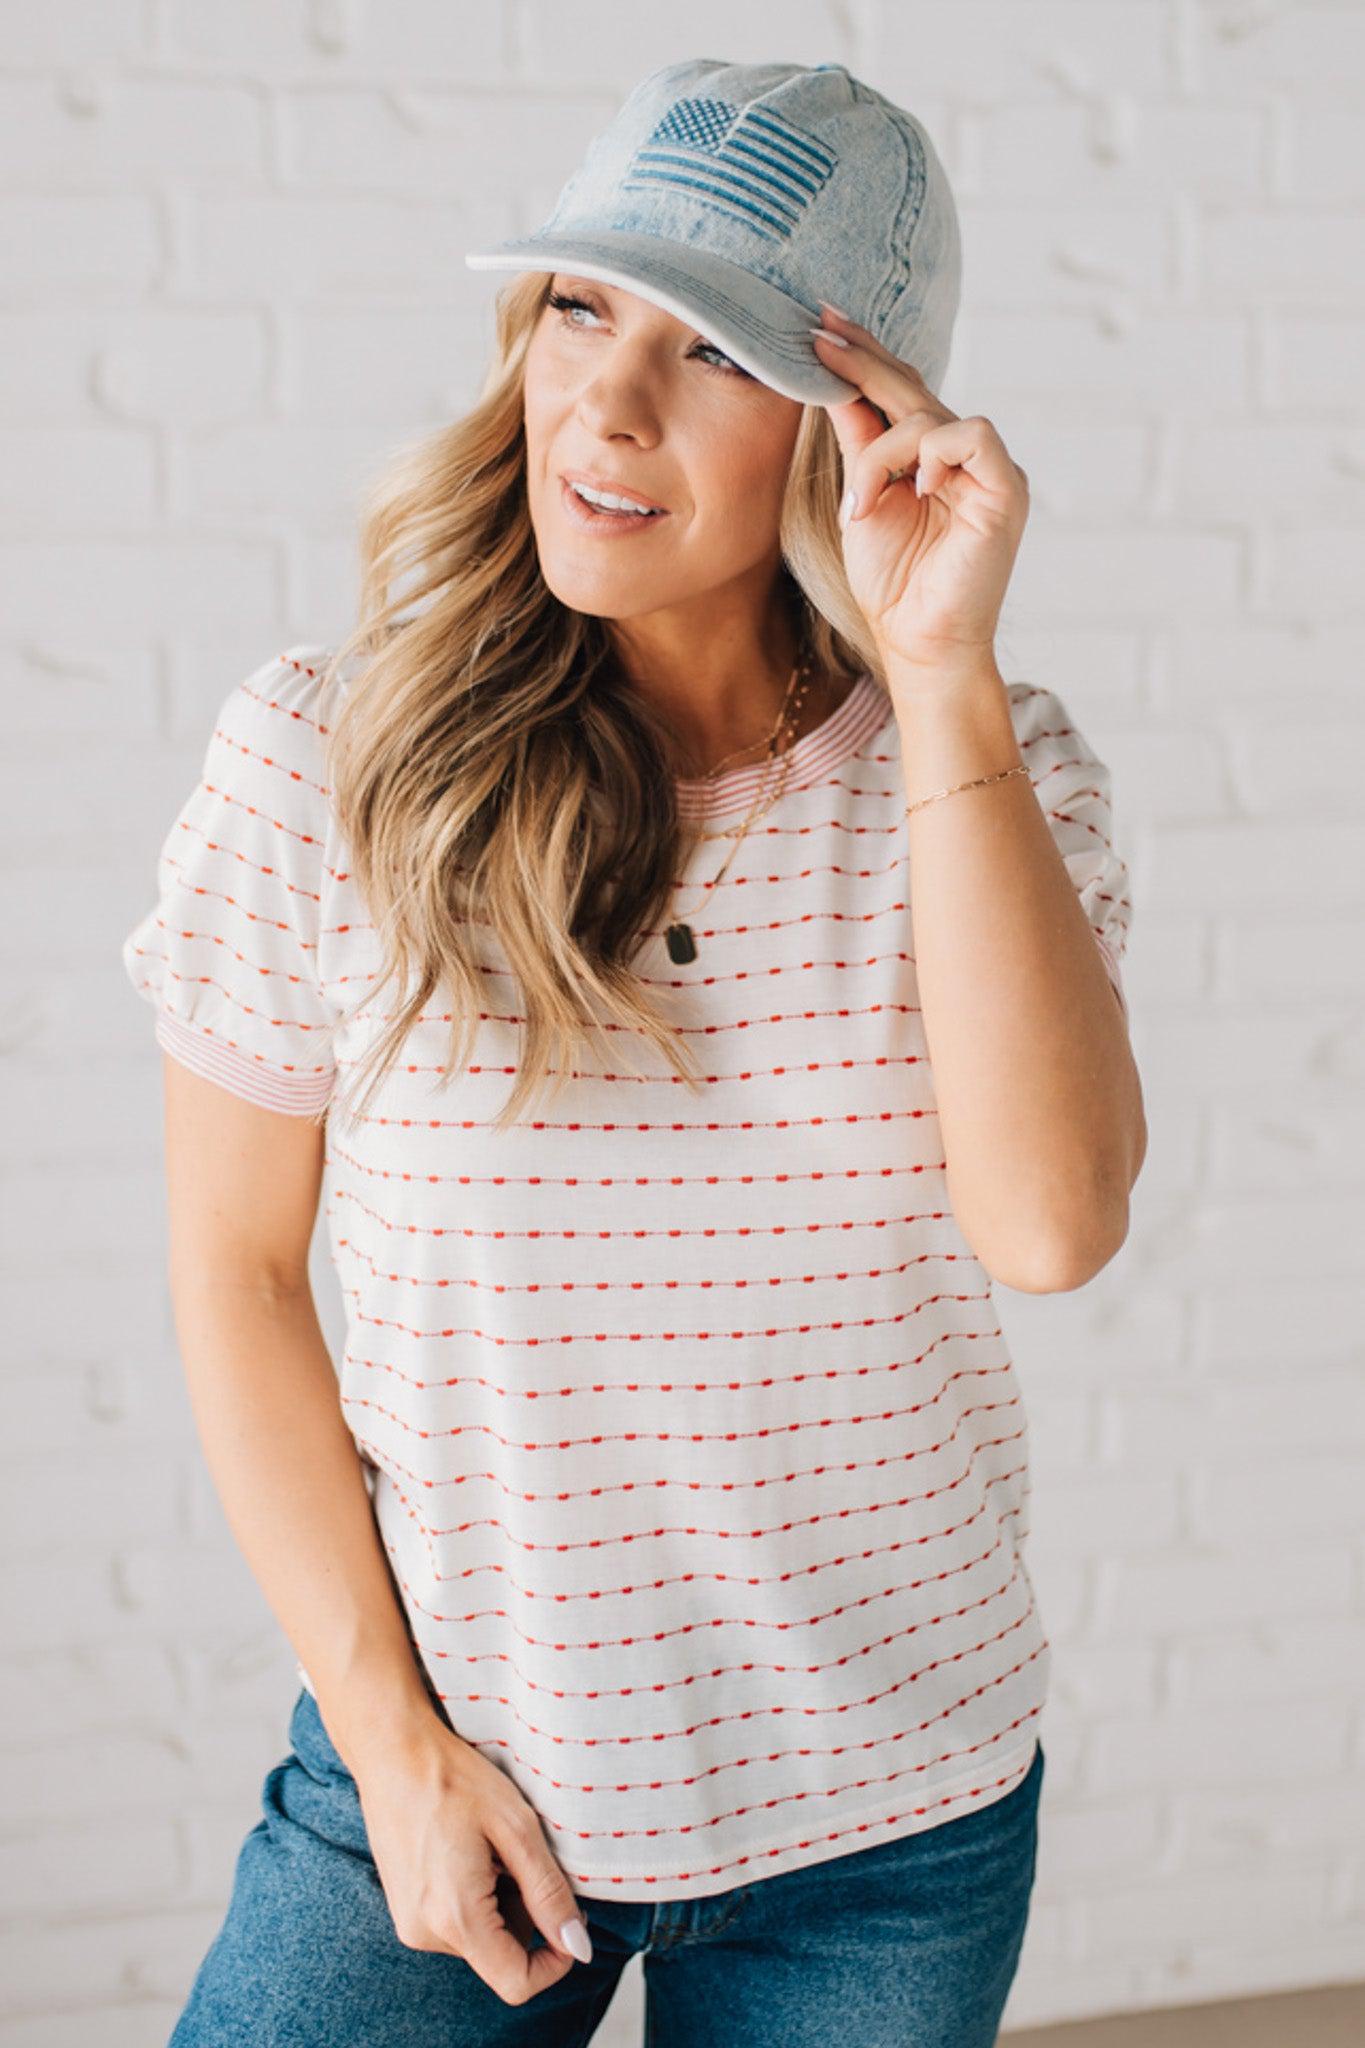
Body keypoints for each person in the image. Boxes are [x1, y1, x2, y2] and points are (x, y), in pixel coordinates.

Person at [122, 56, 1145, 2047]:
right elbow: (236, 1274)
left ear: (857, 430)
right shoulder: (324, 764)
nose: (604, 400)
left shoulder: (996, 790)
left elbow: (1047, 1229)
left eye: (715, 354)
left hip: (893, 1824)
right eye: (580, 308)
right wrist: (390, 1749)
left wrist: (935, 676)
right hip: (452, 1776)